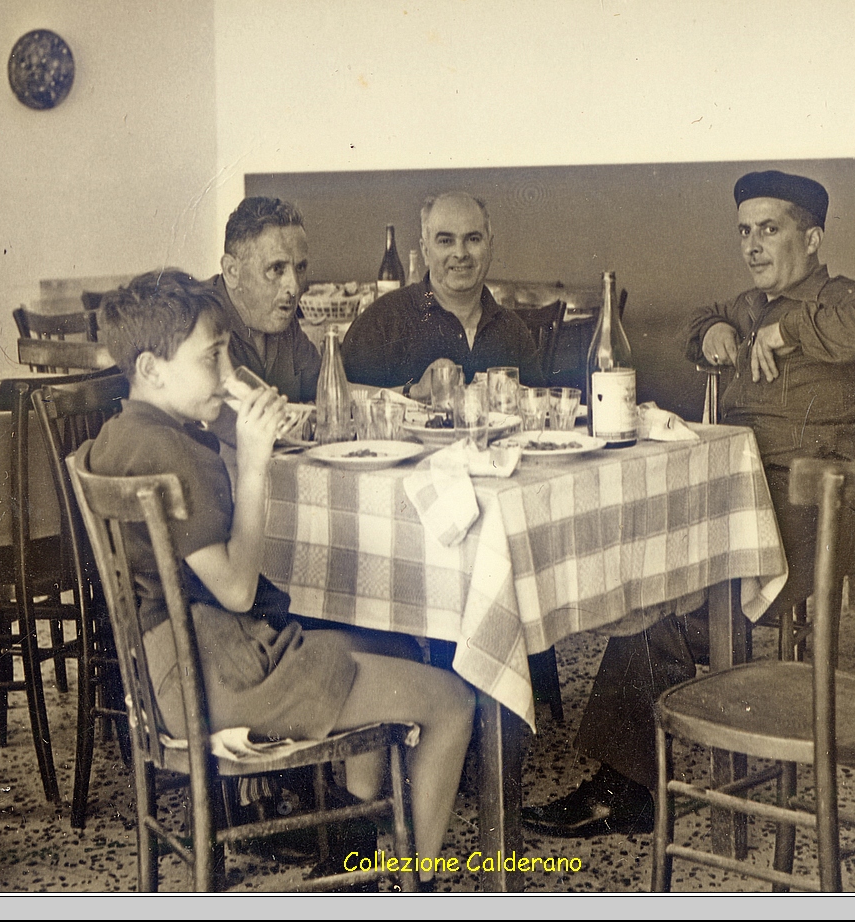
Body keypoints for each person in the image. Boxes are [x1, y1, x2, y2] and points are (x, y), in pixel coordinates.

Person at [523, 170, 855, 838]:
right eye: (744, 231)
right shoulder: (748, 303)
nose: (753, 245)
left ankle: (628, 788)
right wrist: (712, 336)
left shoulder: (848, 300)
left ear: (813, 238)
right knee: (645, 582)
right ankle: (644, 760)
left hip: (816, 507)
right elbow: (700, 322)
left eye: (770, 229)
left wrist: (784, 335)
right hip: (741, 500)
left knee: (662, 611)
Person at [89, 270, 474, 885]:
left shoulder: (121, 436)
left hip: (172, 665)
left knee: (396, 647)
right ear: (152, 369)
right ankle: (413, 891)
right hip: (215, 674)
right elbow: (238, 590)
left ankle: (354, 853)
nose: (224, 371)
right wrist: (256, 460)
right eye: (209, 357)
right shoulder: (176, 454)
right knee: (453, 701)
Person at [340, 191, 545, 395]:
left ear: (490, 247)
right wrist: (412, 392)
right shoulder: (382, 320)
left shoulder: (513, 329)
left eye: (473, 239)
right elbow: (337, 395)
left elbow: (538, 411)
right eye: (446, 241)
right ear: (425, 250)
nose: (460, 253)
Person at [207, 197, 321, 403]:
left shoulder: (283, 320)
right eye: (276, 269)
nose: (294, 287)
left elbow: (329, 392)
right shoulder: (196, 325)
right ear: (232, 271)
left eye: (300, 268)